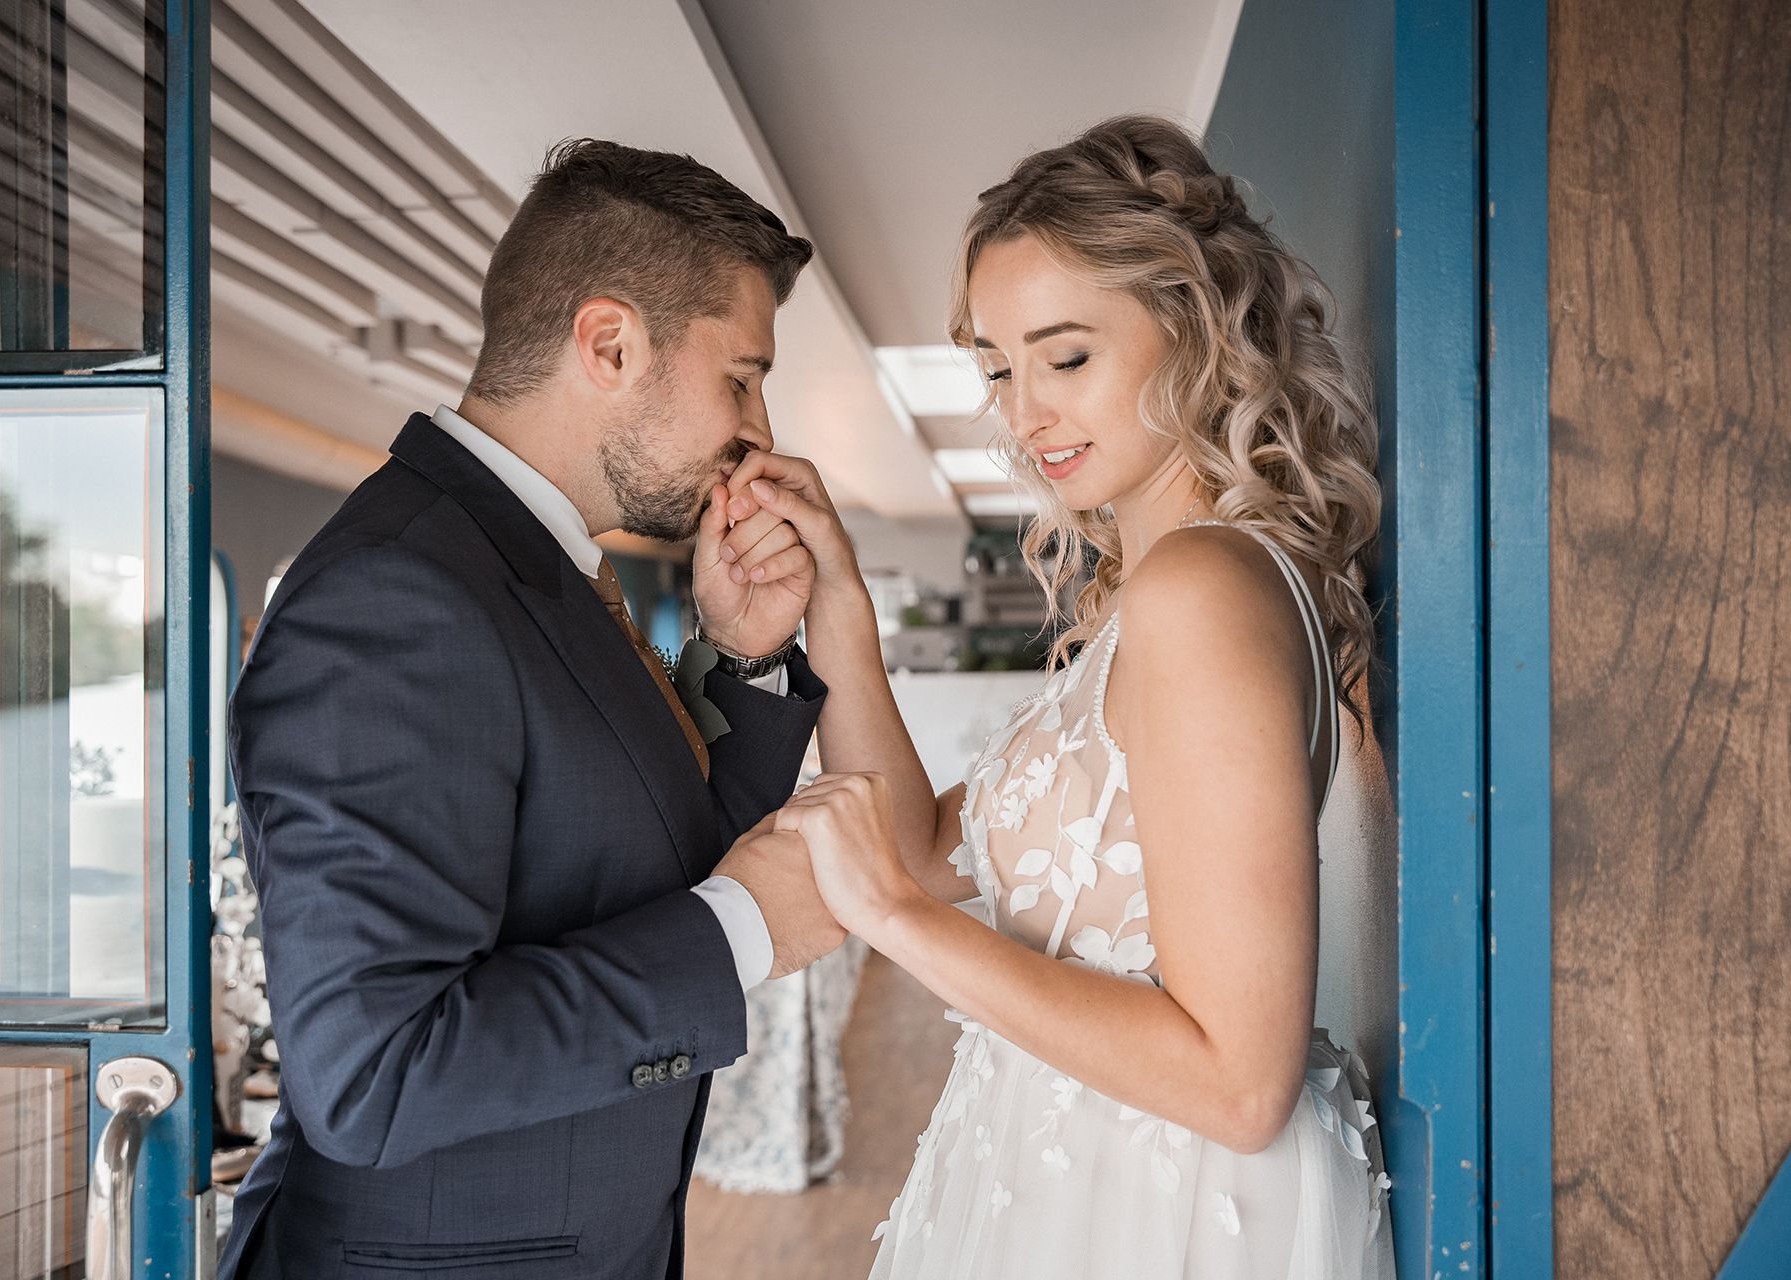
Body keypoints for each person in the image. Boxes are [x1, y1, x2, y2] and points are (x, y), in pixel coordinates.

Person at [718, 115, 1395, 1277]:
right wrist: (839, 604)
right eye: (998, 367)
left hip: (1157, 1214)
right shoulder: (1156, 593)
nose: (1024, 413)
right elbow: (931, 847)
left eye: (1065, 356)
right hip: (1060, 1177)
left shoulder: (1202, 591)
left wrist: (896, 925)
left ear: (1190, 331)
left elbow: (1237, 1082)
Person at [217, 139, 846, 1280]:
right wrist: (742, 930)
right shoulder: (396, 592)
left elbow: (645, 859)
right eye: (742, 375)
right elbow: (374, 1071)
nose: (758, 426)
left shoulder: (534, 565)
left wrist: (743, 660)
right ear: (609, 343)